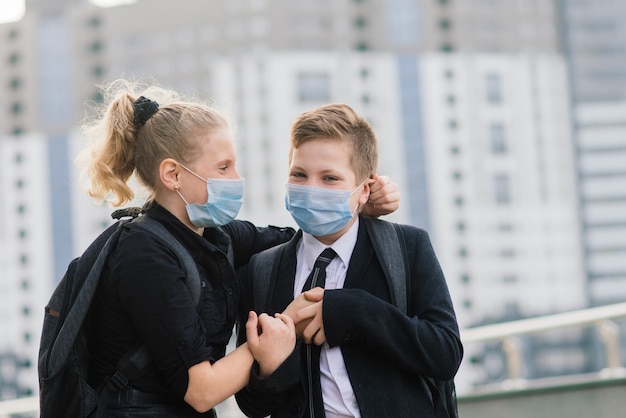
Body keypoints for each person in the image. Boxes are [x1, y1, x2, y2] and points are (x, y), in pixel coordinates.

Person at [77, 80, 400, 416]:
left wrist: (362, 202)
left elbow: (298, 240)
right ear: (173, 175)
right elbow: (201, 390)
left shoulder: (216, 236)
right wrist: (284, 327)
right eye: (223, 168)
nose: (235, 178)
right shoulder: (144, 255)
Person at [235, 103, 463, 418]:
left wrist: (355, 310)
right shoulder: (262, 271)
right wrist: (271, 366)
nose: (311, 188)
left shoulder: (407, 247)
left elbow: (445, 354)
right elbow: (253, 405)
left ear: (364, 190)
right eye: (299, 174)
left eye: (330, 178)